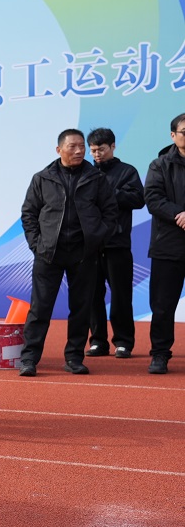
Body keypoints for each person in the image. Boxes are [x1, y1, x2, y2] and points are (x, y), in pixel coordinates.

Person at [18, 129, 118, 377]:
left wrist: (96, 240)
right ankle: (29, 358)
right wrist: (37, 245)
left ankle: (74, 357)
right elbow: (29, 214)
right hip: (48, 253)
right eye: (72, 146)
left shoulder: (96, 178)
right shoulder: (42, 178)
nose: (79, 151)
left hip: (84, 253)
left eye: (81, 146)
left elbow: (110, 213)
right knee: (40, 308)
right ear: (59, 149)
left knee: (81, 308)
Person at [84, 128, 144, 359]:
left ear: (113, 147)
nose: (96, 154)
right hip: (90, 245)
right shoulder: (86, 172)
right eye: (93, 150)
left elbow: (138, 199)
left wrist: (107, 191)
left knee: (121, 295)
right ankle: (98, 341)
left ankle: (123, 342)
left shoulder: (127, 171)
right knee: (92, 296)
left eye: (101, 149)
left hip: (117, 244)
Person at [143, 113, 185, 375]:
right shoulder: (160, 165)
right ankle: (160, 354)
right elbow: (152, 198)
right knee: (162, 306)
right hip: (168, 245)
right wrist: (179, 214)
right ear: (173, 135)